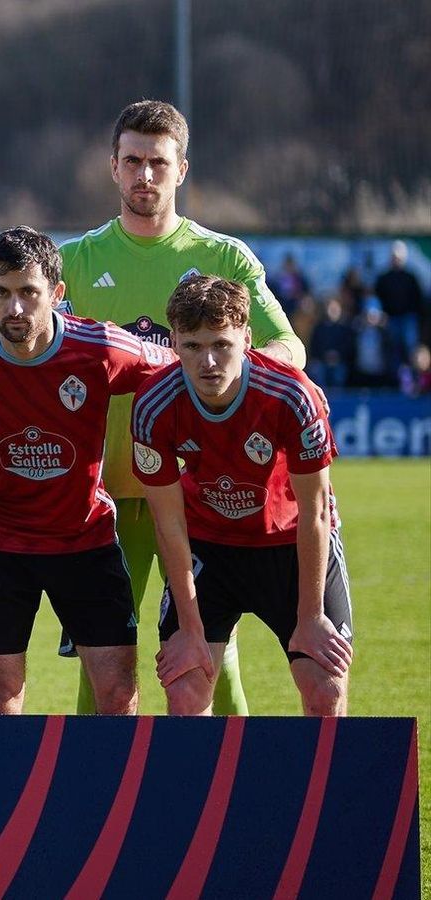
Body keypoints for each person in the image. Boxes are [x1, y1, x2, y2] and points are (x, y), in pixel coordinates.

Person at [56, 100, 307, 715]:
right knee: (104, 666)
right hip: (105, 495)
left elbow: (288, 347)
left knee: (214, 664)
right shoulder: (75, 262)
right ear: (113, 168)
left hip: (200, 493)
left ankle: (233, 795)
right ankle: (99, 799)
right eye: (133, 162)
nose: (146, 176)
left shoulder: (224, 259)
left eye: (158, 163)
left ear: (182, 169)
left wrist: (204, 377)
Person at [0, 226, 173, 715]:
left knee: (116, 691)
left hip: (85, 539)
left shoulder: (101, 347)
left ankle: (113, 788)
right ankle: (14, 790)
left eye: (29, 293)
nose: (16, 308)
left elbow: (183, 371)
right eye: (1, 293)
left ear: (57, 293)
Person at [133, 275, 352, 716]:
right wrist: (191, 631)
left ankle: (319, 786)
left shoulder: (292, 395)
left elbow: (314, 513)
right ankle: (201, 787)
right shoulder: (154, 403)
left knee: (325, 688)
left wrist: (310, 619)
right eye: (192, 346)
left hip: (291, 544)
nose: (208, 362)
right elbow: (168, 523)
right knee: (185, 690)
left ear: (247, 339)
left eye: (222, 344)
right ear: (173, 340)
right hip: (209, 546)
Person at [373, 240, 424, 355]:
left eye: (399, 257)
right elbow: (378, 297)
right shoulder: (384, 278)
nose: (396, 260)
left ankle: (411, 373)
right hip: (391, 319)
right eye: (394, 257)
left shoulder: (411, 277)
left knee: (411, 348)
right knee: (393, 349)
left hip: (408, 318)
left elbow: (418, 298)